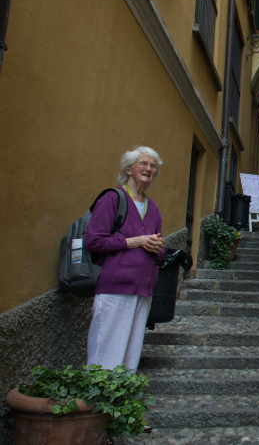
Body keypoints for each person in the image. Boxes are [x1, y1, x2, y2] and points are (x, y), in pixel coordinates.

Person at [85, 146, 166, 375]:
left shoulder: (153, 208)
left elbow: (159, 252)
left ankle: (124, 392)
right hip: (115, 286)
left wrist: (157, 248)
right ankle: (100, 393)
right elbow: (94, 241)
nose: (148, 169)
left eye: (153, 166)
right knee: (106, 350)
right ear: (129, 169)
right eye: (143, 163)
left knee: (131, 353)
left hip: (142, 288)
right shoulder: (112, 199)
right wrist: (135, 241)